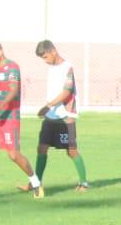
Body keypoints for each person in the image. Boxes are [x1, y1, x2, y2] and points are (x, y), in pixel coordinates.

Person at [0, 39, 43, 199]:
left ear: (0, 51)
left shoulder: (12, 67)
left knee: (13, 155)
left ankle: (36, 183)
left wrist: (1, 106)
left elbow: (13, 91)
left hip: (9, 117)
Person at [32, 39, 90, 192]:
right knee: (42, 148)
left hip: (65, 116)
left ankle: (83, 183)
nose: (44, 61)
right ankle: (36, 184)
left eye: (45, 57)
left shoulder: (67, 67)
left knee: (71, 151)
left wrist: (48, 105)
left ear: (53, 51)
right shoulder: (51, 69)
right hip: (51, 116)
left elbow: (67, 92)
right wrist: (48, 108)